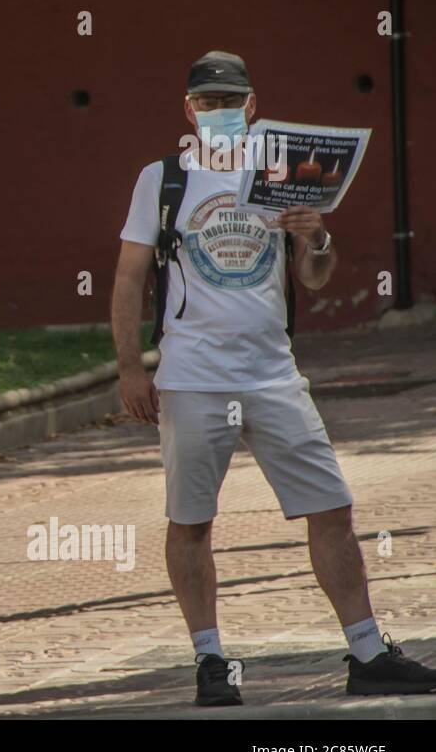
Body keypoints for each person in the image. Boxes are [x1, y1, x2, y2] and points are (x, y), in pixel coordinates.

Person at [111, 51, 436, 705]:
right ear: (189, 109)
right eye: (207, 102)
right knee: (192, 521)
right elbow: (127, 276)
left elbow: (314, 276)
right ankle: (211, 663)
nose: (220, 112)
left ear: (252, 105)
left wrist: (316, 238)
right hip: (192, 374)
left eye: (231, 101)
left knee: (332, 507)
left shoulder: (283, 175)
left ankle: (368, 652)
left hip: (272, 373)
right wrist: (127, 368)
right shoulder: (163, 179)